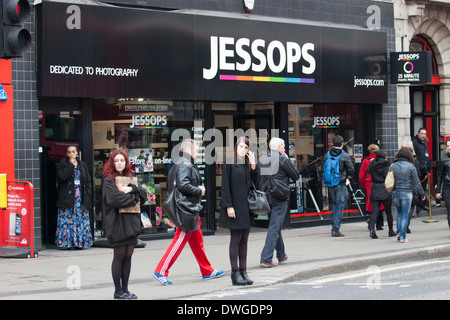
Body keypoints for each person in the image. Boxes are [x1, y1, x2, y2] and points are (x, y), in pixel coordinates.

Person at [154, 139, 223, 285]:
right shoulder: (186, 164)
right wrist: (199, 190)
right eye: (197, 150)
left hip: (188, 210)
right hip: (187, 210)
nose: (198, 153)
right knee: (179, 240)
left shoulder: (179, 164)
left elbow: (175, 187)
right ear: (189, 149)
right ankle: (161, 270)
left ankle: (207, 271)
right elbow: (183, 185)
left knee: (197, 242)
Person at [102, 148, 147, 299]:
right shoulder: (109, 180)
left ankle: (126, 289)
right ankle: (118, 291)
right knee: (119, 255)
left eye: (122, 160)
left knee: (129, 255)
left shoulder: (129, 177)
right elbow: (115, 200)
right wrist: (134, 198)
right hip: (117, 222)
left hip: (131, 222)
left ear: (126, 162)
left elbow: (143, 194)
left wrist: (132, 189)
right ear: (112, 163)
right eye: (116, 160)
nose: (119, 163)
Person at [220, 136, 257, 285]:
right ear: (236, 147)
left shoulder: (247, 164)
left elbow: (257, 182)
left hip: (245, 207)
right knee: (235, 240)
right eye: (241, 146)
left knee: (244, 240)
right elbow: (225, 186)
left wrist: (253, 163)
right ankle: (235, 273)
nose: (244, 149)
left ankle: (243, 271)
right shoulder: (229, 163)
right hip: (234, 207)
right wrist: (228, 206)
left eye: (246, 147)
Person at [257, 137, 299, 267]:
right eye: (284, 146)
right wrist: (287, 160)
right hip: (279, 197)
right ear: (279, 147)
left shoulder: (262, 160)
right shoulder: (282, 159)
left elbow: (258, 177)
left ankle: (281, 255)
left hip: (267, 197)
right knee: (274, 227)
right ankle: (266, 258)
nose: (285, 149)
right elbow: (296, 175)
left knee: (276, 225)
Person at [55, 145, 93, 249]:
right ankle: (68, 243)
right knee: (68, 221)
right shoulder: (63, 164)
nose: (71, 154)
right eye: (69, 152)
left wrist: (88, 194)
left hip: (80, 198)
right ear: (66, 154)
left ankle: (80, 243)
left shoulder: (82, 165)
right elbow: (63, 177)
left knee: (80, 220)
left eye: (73, 152)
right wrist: (71, 166)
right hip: (67, 198)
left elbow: (88, 181)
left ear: (77, 153)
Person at [391, 147, 425, 243]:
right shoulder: (411, 166)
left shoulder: (393, 165)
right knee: (405, 215)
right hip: (407, 192)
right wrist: (422, 193)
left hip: (395, 192)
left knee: (399, 213)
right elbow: (416, 182)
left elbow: (389, 177)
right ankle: (403, 236)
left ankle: (398, 233)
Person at [323, 135, 354, 237]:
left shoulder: (327, 155)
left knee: (335, 205)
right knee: (339, 206)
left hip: (330, 183)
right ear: (342, 144)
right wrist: (346, 176)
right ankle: (335, 229)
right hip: (340, 183)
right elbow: (351, 169)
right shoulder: (344, 155)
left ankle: (334, 227)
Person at [366, 150, 395, 238]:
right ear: (385, 157)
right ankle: (390, 230)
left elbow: (368, 171)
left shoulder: (373, 165)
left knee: (375, 211)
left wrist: (372, 162)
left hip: (375, 188)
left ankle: (372, 230)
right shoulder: (387, 164)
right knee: (388, 212)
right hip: (385, 188)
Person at [359, 143, 384, 230]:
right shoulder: (380, 161)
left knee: (371, 203)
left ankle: (372, 220)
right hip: (379, 183)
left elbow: (361, 176)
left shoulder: (366, 161)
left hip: (369, 184)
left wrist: (364, 185)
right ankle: (379, 223)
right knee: (380, 202)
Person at [412, 128, 432, 210]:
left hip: (425, 169)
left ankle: (422, 204)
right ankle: (418, 204)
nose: (423, 135)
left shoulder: (424, 143)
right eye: (422, 134)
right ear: (418, 133)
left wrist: (429, 166)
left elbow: (426, 155)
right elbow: (416, 157)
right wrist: (421, 166)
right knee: (418, 186)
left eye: (424, 134)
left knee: (423, 187)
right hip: (419, 169)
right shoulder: (415, 143)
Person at [435, 139, 450, 230]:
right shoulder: (443, 160)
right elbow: (439, 176)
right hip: (447, 188)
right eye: (448, 146)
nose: (449, 148)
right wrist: (438, 191)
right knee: (449, 209)